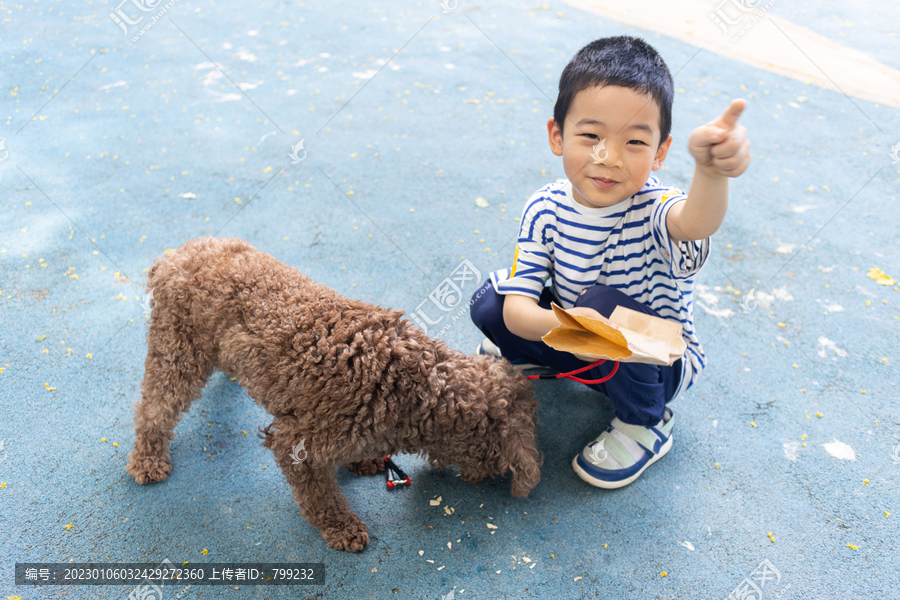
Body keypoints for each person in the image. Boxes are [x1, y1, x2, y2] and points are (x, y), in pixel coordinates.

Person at [469, 35, 750, 489]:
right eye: (591, 135)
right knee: (489, 300)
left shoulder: (656, 207)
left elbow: (696, 222)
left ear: (661, 152)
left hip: (659, 360)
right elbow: (518, 311)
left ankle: (646, 422)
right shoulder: (544, 207)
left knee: (599, 306)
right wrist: (574, 330)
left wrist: (711, 174)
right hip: (581, 335)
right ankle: (553, 361)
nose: (610, 157)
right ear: (557, 136)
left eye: (636, 141)